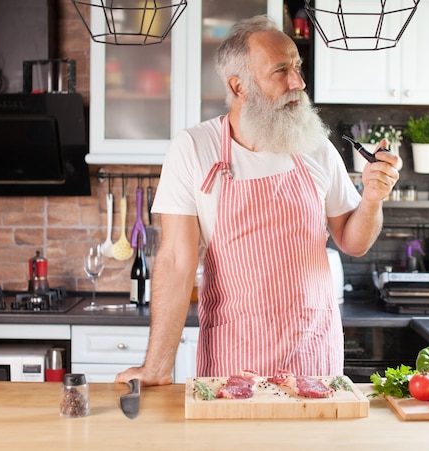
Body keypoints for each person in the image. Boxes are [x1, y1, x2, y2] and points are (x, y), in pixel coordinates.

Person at [116, 15, 400, 386]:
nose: (298, 83)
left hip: (312, 354)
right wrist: (156, 367)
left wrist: (373, 199)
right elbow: (175, 260)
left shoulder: (315, 146)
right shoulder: (194, 148)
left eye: (297, 67)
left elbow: (354, 241)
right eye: (280, 71)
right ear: (239, 86)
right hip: (234, 358)